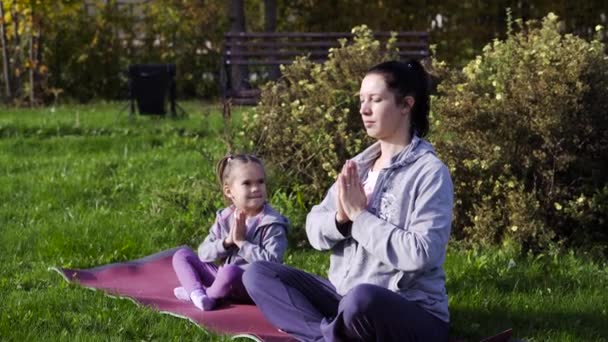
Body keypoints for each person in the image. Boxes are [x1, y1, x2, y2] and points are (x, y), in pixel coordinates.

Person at [243, 60, 453, 341]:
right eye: (362, 100)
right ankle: (324, 338)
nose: (364, 110)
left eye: (375, 100)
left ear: (406, 105)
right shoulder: (359, 165)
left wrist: (359, 217)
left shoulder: (430, 173)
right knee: (257, 274)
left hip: (405, 308)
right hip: (341, 296)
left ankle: (330, 333)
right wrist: (340, 220)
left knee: (361, 299)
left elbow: (421, 253)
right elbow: (314, 229)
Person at [172, 154, 289, 311]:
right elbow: (203, 253)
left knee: (230, 272)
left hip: (251, 286)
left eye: (260, 182)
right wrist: (227, 242)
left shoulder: (272, 222)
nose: (256, 188)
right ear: (229, 191)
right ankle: (197, 294)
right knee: (182, 255)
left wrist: (242, 243)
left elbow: (273, 262)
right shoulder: (225, 216)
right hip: (221, 279)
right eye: (247, 183)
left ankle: (205, 295)